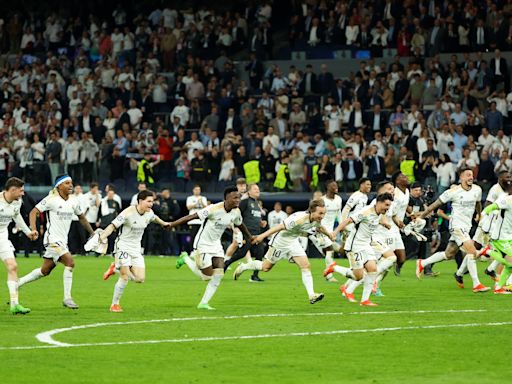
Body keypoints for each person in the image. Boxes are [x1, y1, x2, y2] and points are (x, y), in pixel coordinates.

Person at [18, 175, 95, 309]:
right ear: (58, 186)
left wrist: (93, 233)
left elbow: (81, 217)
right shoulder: (51, 199)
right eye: (67, 183)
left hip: (62, 242)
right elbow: (33, 212)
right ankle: (67, 298)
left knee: (45, 271)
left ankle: (16, 284)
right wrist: (34, 229)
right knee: (70, 262)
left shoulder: (74, 201)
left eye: (71, 183)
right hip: (52, 240)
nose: (70, 185)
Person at [233, 199, 328, 304]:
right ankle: (244, 266)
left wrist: (330, 235)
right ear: (312, 211)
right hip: (280, 242)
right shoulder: (299, 219)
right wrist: (262, 236)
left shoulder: (316, 219)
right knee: (266, 267)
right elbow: (280, 227)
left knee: (306, 265)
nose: (322, 216)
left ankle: (311, 295)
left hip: (293, 241)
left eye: (324, 213)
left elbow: (320, 227)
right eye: (320, 213)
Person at [174, 187, 252, 310]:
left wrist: (250, 237)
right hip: (202, 245)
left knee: (218, 274)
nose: (238, 200)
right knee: (205, 276)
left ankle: (203, 303)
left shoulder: (236, 212)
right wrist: (172, 224)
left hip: (216, 245)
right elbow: (192, 216)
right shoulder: (213, 209)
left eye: (239, 198)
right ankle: (186, 259)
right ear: (226, 198)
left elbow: (240, 224)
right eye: (235, 198)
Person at [416, 168, 490, 293]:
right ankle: (476, 284)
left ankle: (423, 263)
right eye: (467, 175)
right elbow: (435, 205)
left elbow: (478, 203)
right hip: (456, 225)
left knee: (448, 254)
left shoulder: (477, 189)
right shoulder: (453, 191)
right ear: (461, 178)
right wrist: (422, 216)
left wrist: (479, 214)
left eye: (471, 175)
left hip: (466, 226)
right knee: (471, 251)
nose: (470, 177)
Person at [101, 190, 172, 312]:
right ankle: (114, 304)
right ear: (140, 201)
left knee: (140, 279)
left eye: (152, 201)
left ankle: (115, 267)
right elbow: (112, 226)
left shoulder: (149, 213)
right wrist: (101, 237)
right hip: (122, 246)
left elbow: (154, 218)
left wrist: (163, 223)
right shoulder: (128, 212)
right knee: (125, 277)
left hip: (136, 249)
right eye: (148, 201)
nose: (151, 204)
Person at [334, 193, 395, 306]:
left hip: (366, 245)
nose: (387, 208)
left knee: (372, 270)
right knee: (358, 276)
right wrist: (335, 232)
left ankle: (365, 300)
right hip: (355, 246)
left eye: (389, 206)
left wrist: (384, 224)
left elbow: (374, 221)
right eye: (386, 205)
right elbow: (348, 220)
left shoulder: (379, 213)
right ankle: (334, 267)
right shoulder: (365, 211)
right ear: (378, 202)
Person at [0, 177, 39, 314]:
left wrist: (28, 232)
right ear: (12, 190)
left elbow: (17, 217)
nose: (23, 194)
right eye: (21, 191)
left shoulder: (17, 202)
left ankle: (14, 304)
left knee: (13, 266)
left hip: (2, 237)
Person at [224, 184, 266, 282]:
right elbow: (237, 215)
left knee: (260, 252)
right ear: (249, 192)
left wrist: (261, 223)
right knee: (241, 253)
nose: (257, 190)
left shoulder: (256, 204)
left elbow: (254, 217)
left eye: (258, 189)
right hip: (247, 233)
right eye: (255, 189)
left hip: (257, 233)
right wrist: (236, 229)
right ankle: (226, 263)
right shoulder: (244, 202)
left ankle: (255, 276)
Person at [480, 190, 512, 294]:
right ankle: (488, 251)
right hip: (501, 236)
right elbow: (493, 206)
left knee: (509, 264)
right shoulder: (508, 200)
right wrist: (483, 213)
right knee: (509, 262)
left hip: (509, 236)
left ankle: (498, 288)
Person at [185, 185, 208, 250]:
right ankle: (192, 250)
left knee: (201, 237)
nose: (197, 191)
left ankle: (200, 250)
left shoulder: (203, 198)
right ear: (193, 190)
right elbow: (188, 207)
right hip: (192, 221)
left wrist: (202, 203)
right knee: (192, 236)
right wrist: (196, 203)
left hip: (201, 221)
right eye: (196, 189)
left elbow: (206, 208)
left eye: (199, 190)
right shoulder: (190, 198)